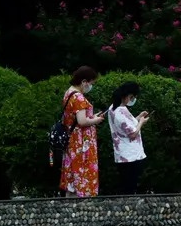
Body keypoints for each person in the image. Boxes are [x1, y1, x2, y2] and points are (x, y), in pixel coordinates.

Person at [60, 66, 103, 198]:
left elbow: (75, 118)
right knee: (83, 168)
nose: (90, 86)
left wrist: (93, 117)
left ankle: (72, 198)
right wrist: (96, 120)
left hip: (72, 138)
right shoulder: (79, 97)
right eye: (91, 83)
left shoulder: (68, 93)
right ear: (84, 81)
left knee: (73, 169)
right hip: (81, 141)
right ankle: (83, 199)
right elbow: (82, 121)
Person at [108, 81, 149, 195]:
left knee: (127, 183)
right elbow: (132, 133)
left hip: (125, 154)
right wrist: (141, 122)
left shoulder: (115, 108)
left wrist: (138, 117)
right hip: (129, 155)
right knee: (129, 185)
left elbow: (127, 127)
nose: (132, 100)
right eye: (131, 97)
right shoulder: (119, 112)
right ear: (125, 96)